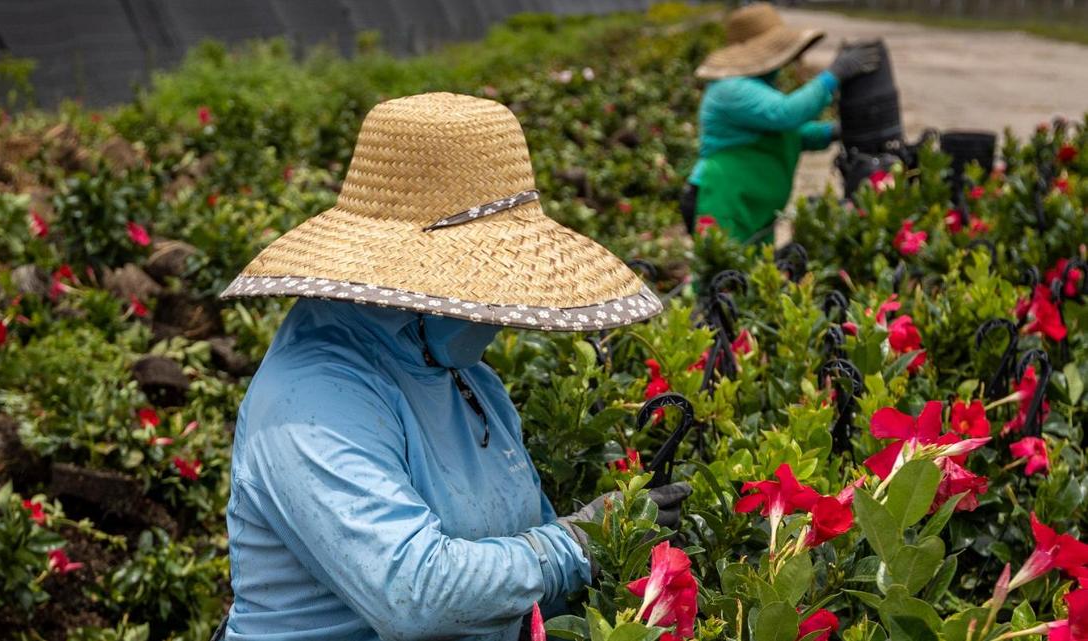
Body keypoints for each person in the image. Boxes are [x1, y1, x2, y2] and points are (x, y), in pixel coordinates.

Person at [216, 92, 692, 641]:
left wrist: (613, 541)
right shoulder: (312, 400)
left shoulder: (466, 380)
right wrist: (580, 543)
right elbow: (413, 593)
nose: (497, 309)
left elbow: (524, 566)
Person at [681, 2, 883, 243]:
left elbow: (787, 136)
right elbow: (786, 114)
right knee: (722, 273)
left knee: (754, 273)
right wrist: (833, 75)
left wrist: (833, 132)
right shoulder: (730, 88)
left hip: (753, 206)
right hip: (724, 199)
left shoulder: (756, 87)